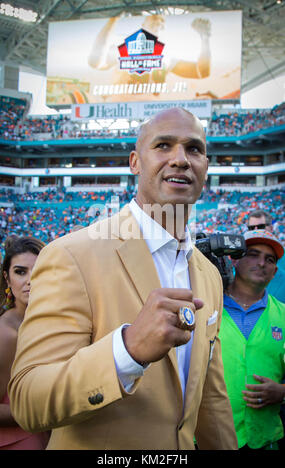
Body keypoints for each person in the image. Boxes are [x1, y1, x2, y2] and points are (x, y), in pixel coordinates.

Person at [8, 108, 237, 450]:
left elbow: (211, 401)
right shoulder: (71, 255)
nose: (180, 159)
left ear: (205, 164)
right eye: (163, 145)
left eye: (194, 149)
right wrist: (126, 351)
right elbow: (29, 401)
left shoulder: (208, 274)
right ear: (135, 162)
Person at [219, 229, 285, 450]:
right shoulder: (207, 307)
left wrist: (282, 392)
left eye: (269, 259)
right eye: (253, 254)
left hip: (264, 438)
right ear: (234, 260)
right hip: (209, 436)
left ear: (275, 271)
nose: (262, 263)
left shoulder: (283, 315)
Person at [0, 235, 50, 450]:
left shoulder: (56, 323)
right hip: (20, 440)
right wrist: (51, 409)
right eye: (20, 272)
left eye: (39, 271)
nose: (30, 279)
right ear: (7, 278)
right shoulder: (6, 334)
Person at [88, 15, 212, 100]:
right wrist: (112, 21)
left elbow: (201, 72)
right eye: (153, 18)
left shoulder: (167, 57)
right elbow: (96, 61)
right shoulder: (123, 49)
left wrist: (205, 38)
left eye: (161, 21)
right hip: (120, 108)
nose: (158, 22)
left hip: (152, 113)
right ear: (143, 24)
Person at [246, 209, 285, 302]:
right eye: (251, 228)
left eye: (260, 227)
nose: (255, 231)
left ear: (271, 229)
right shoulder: (241, 260)